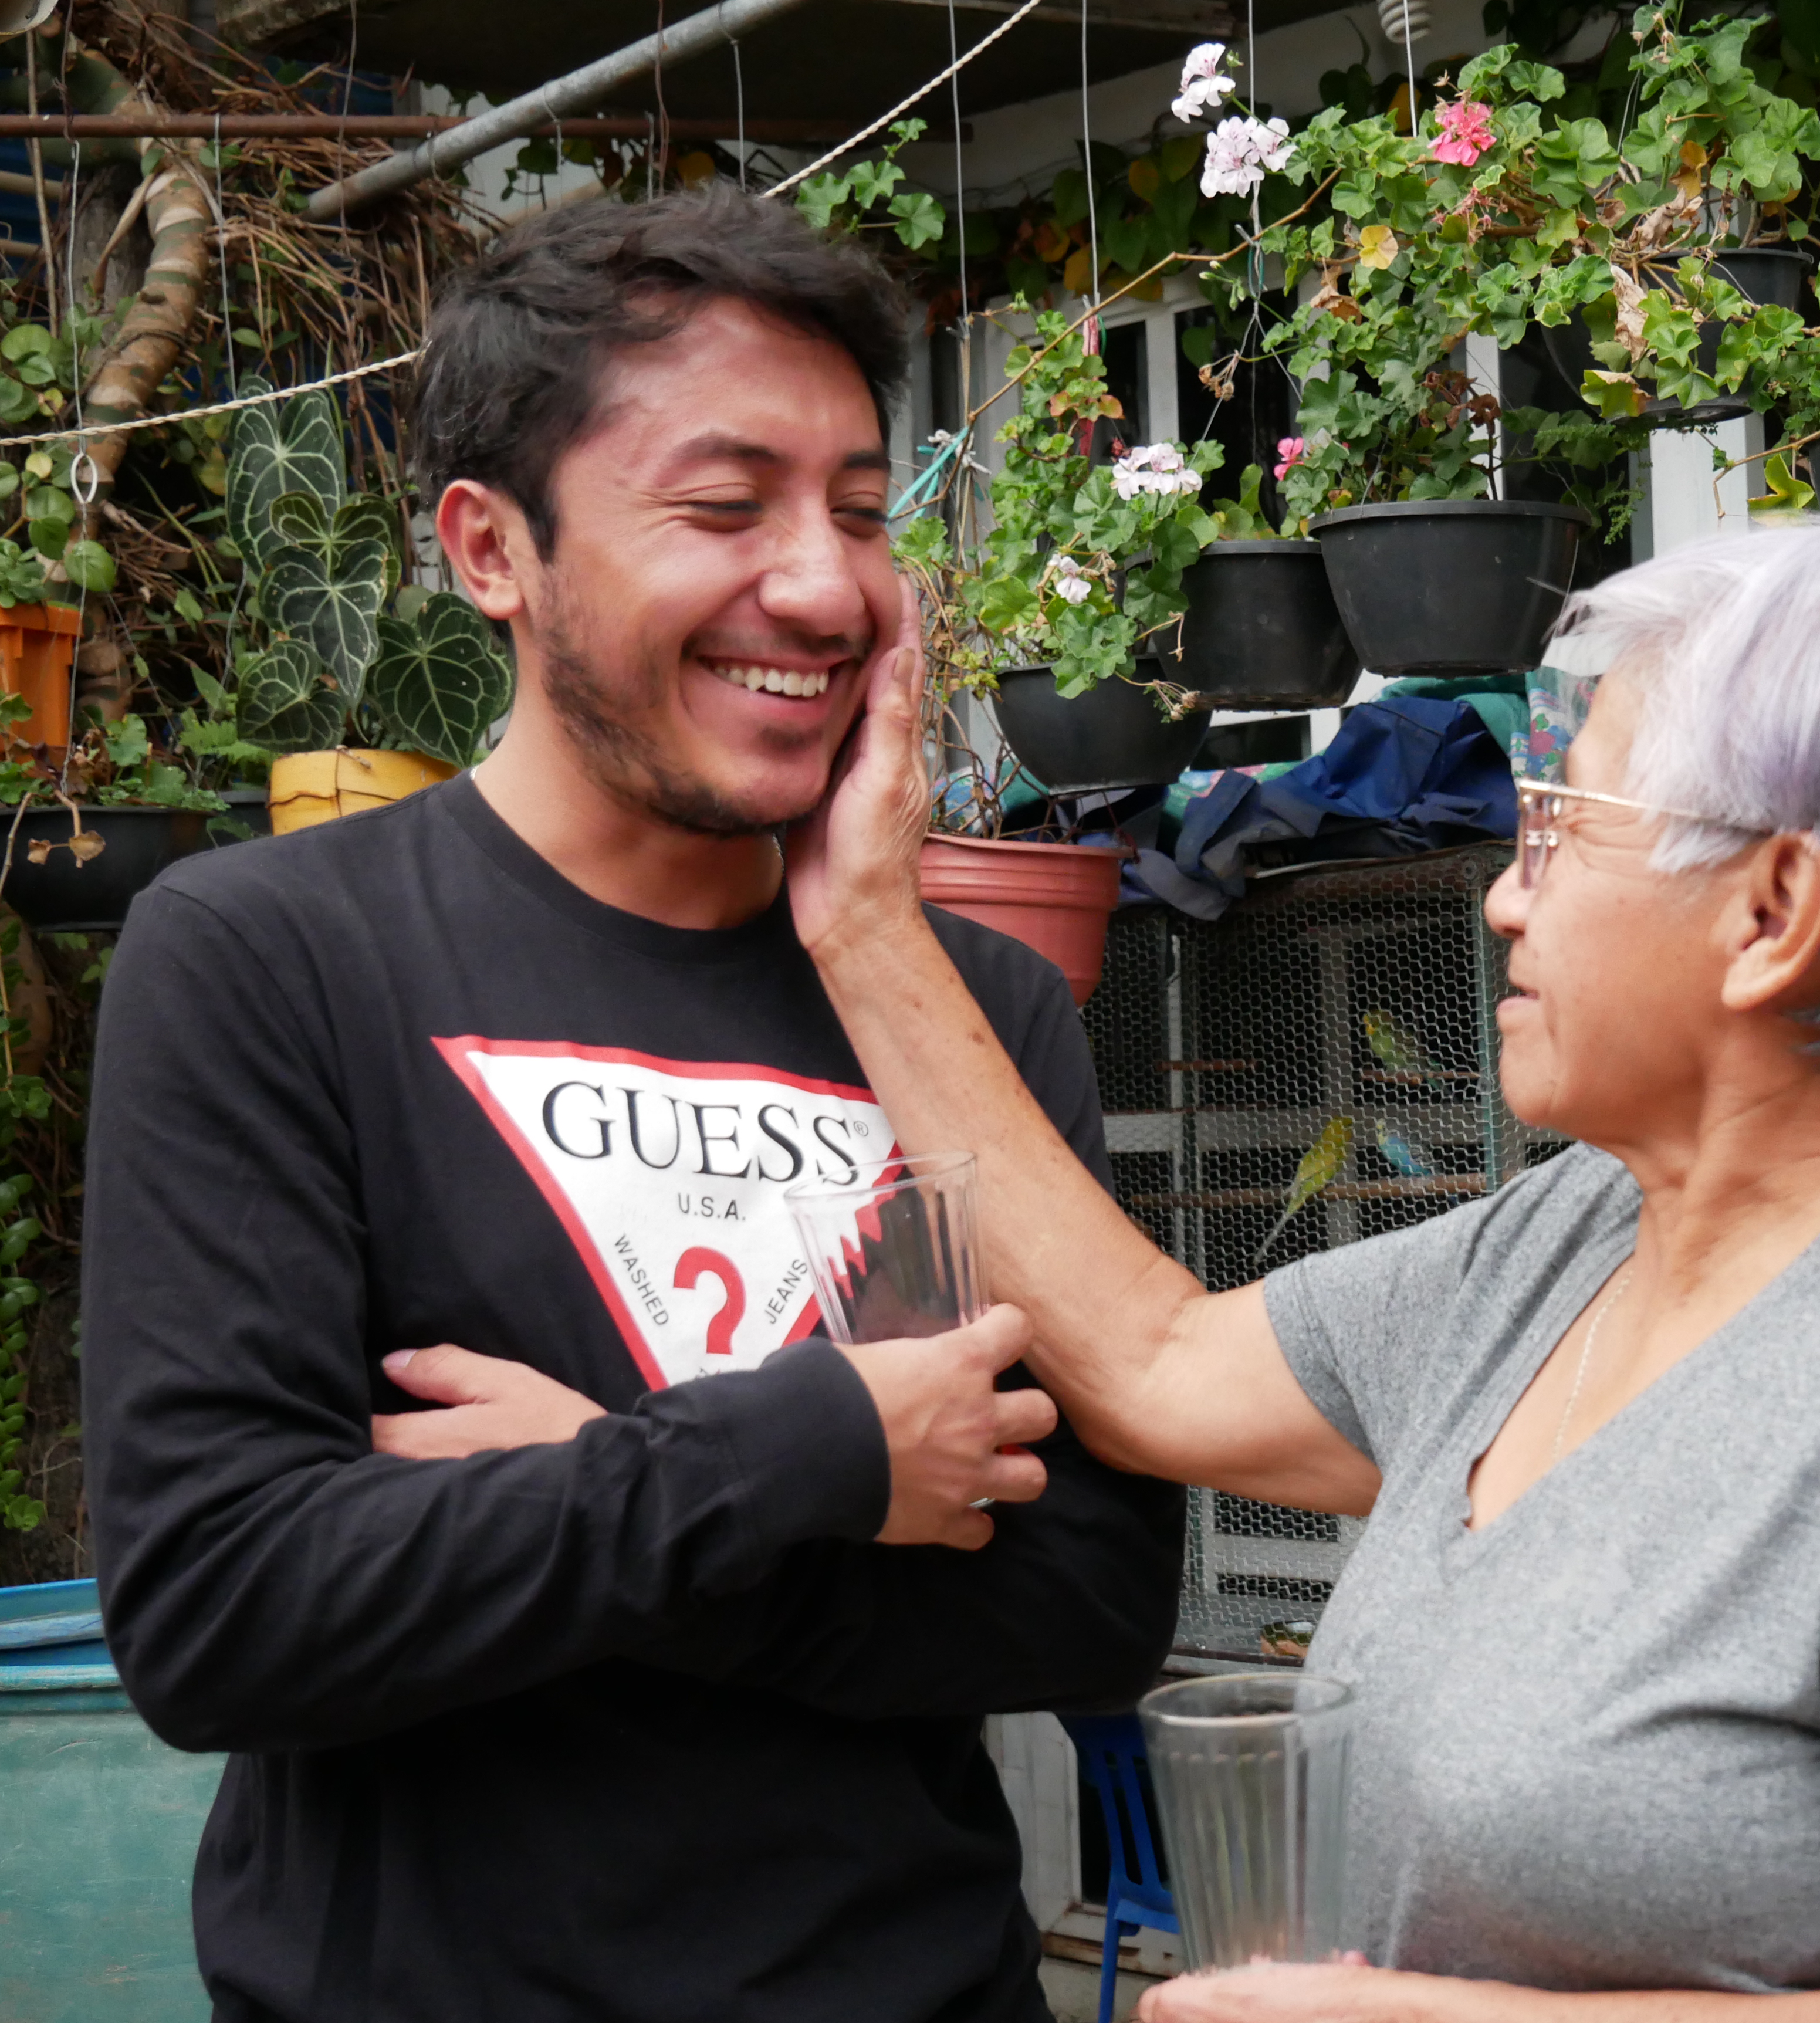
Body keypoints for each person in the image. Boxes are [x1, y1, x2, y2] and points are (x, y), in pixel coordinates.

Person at [438, 519, 1820, 2018]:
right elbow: (1149, 1361)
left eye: (1559, 830)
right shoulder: (1574, 1238)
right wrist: (864, 919)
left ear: (1771, 913)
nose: (1504, 900)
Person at [81, 187, 1182, 2023]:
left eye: (853, 506)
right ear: (491, 550)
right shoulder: (274, 960)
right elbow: (229, 1611)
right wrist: (817, 1461)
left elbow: (1074, 1600)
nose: (823, 585)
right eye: (724, 506)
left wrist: (598, 1479)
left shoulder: (961, 1011)